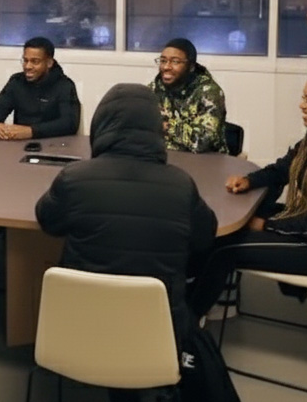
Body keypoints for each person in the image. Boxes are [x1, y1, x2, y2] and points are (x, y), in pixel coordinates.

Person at [35, 84, 219, 402]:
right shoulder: (180, 184)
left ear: (100, 124)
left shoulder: (74, 177)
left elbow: (48, 221)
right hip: (155, 337)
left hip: (77, 330)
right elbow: (205, 238)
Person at [189, 70, 307, 318]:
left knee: (221, 249)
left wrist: (266, 224)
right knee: (227, 231)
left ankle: (186, 325)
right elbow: (283, 169)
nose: (302, 105)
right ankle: (190, 299)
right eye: (304, 98)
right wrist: (249, 181)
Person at [0, 36, 80, 140]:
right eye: (25, 60)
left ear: (49, 63)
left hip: (54, 145)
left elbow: (70, 124)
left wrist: (32, 131)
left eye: (35, 61)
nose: (28, 66)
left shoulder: (65, 85)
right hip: (18, 146)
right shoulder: (16, 82)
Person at [148, 37, 228, 154]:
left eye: (175, 62)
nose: (166, 67)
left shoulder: (209, 92)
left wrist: (166, 126)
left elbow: (201, 142)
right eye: (163, 61)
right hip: (165, 158)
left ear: (191, 67)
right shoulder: (154, 89)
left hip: (206, 161)